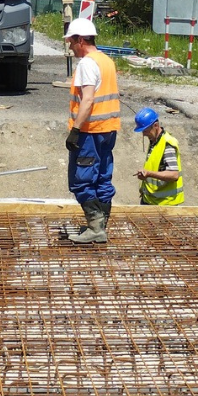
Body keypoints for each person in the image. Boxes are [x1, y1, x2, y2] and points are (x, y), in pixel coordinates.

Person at [64, 17, 121, 242]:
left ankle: (96, 228)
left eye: (71, 41)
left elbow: (87, 100)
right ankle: (100, 226)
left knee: (82, 180)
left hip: (90, 132)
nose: (70, 46)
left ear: (80, 40)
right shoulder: (106, 60)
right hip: (108, 130)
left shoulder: (87, 63)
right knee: (102, 179)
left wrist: (75, 130)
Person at [132, 107, 184, 206]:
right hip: (151, 201)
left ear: (155, 126)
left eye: (146, 131)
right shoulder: (155, 141)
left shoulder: (167, 144)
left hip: (164, 205)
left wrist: (149, 173)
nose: (144, 134)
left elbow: (174, 175)